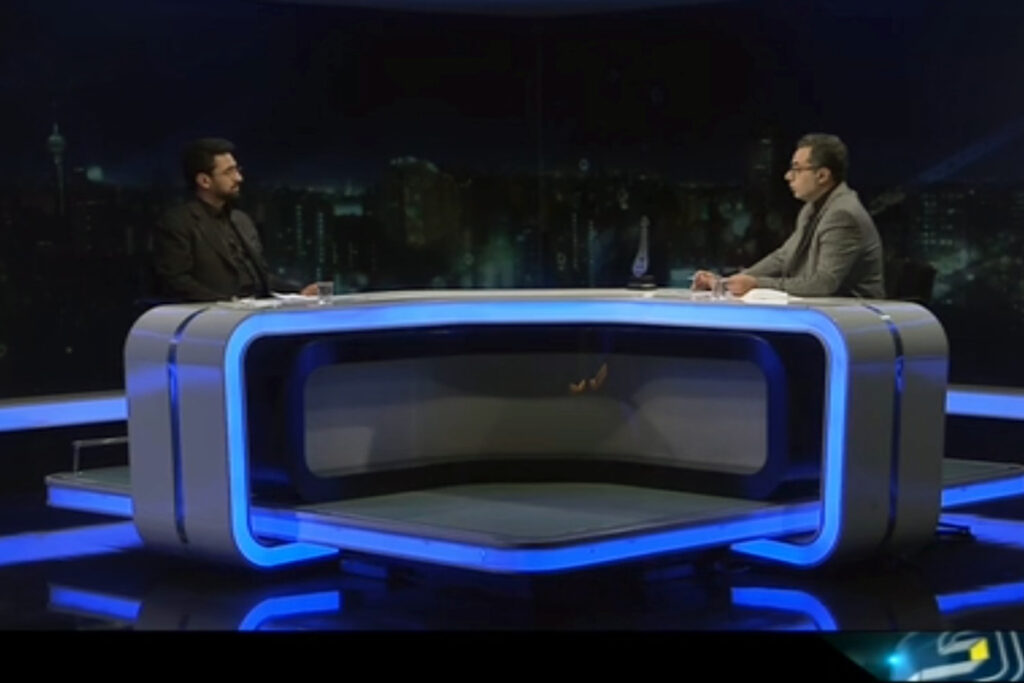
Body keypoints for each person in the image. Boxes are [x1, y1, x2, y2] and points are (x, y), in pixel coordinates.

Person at [694, 133, 885, 299]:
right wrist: (728, 282)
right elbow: (783, 257)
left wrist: (756, 284)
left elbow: (823, 283)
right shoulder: (811, 208)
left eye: (797, 169)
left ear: (822, 175)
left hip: (855, 316)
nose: (788, 176)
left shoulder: (842, 215)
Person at [153, 138, 317, 302]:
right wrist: (228, 303)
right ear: (204, 181)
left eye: (237, 170)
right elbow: (175, 281)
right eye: (228, 172)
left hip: (255, 310)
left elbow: (262, 278)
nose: (238, 178)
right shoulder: (178, 222)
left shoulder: (241, 220)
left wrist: (299, 292)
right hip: (216, 313)